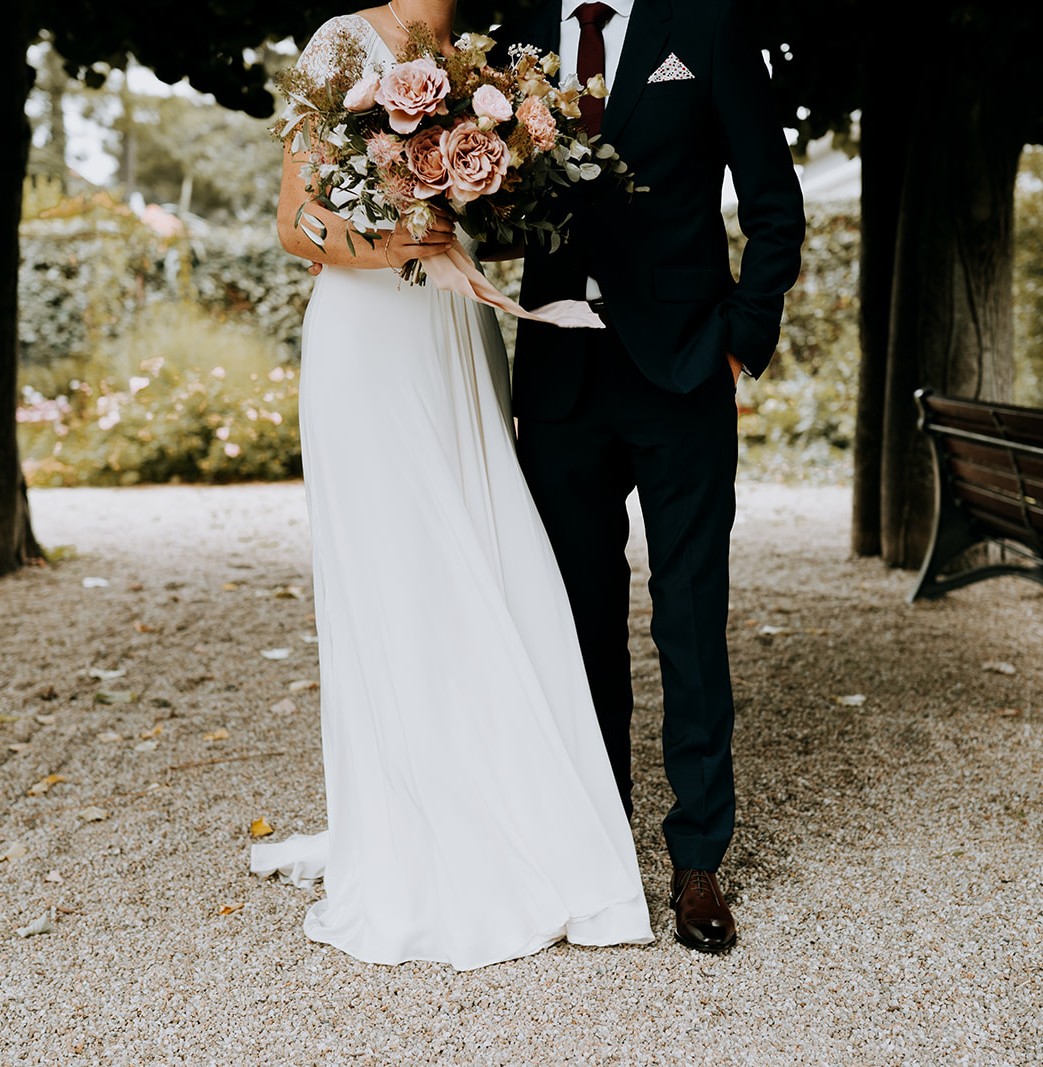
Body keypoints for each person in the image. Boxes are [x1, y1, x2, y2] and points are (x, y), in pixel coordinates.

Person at [250, 0, 653, 971]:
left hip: (455, 327)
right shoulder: (341, 42)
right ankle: (411, 818)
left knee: (480, 547)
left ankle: (498, 796)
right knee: (394, 564)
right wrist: (401, 246)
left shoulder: (477, 60)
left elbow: (501, 217)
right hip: (367, 331)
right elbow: (294, 221)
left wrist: (487, 184)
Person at [498, 0, 806, 953]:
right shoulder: (512, 36)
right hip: (559, 376)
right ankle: (597, 841)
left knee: (688, 614)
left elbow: (773, 201)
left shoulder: (707, 25)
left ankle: (699, 857)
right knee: (577, 617)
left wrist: (739, 343)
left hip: (681, 372)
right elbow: (498, 206)